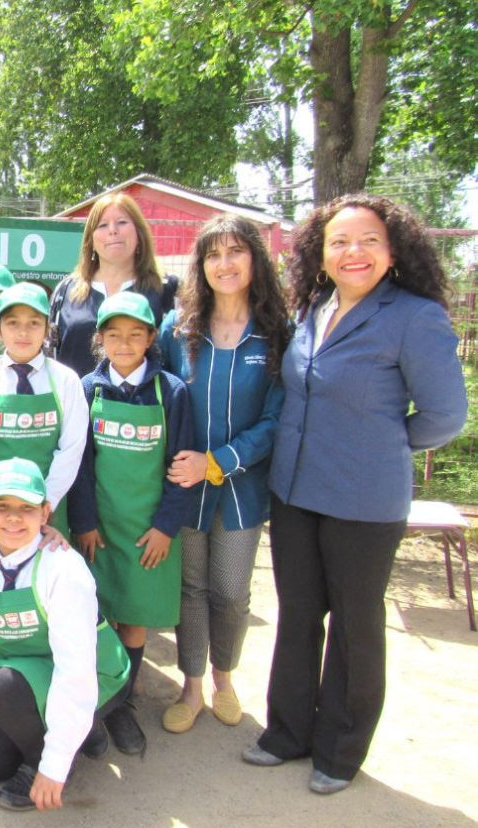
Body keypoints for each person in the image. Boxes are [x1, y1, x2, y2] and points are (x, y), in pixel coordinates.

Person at [244, 195, 467, 794]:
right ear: (320, 255)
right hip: (295, 491)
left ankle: (339, 752)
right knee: (297, 615)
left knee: (354, 624)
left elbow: (446, 416)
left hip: (365, 500)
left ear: (393, 251)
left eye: (368, 240)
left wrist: (383, 444)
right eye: (339, 242)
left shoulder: (414, 317)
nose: (353, 252)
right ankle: (287, 733)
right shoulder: (312, 309)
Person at [0, 458, 130, 812]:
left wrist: (53, 764)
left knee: (5, 688)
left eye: (27, 508)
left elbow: (75, 670)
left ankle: (54, 751)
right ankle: (78, 731)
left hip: (87, 676)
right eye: (2, 507)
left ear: (45, 512)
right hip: (23, 675)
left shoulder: (63, 569)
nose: (14, 518)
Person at [157, 215, 290, 734]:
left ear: (256, 260)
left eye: (236, 251)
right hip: (185, 487)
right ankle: (191, 688)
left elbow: (277, 419)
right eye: (213, 254)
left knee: (231, 591)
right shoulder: (178, 329)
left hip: (242, 488)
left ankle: (224, 679)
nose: (225, 263)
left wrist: (217, 462)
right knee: (190, 588)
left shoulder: (275, 332)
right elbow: (161, 400)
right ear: (201, 266)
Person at [68, 291, 196, 755]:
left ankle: (122, 705)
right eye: (114, 334)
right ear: (100, 339)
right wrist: (84, 522)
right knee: (97, 617)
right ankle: (95, 705)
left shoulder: (172, 392)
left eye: (135, 334)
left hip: (148, 533)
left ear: (150, 338)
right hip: (100, 530)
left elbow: (182, 468)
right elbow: (80, 465)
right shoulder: (88, 389)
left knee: (135, 621)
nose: (124, 344)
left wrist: (166, 528)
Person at [0, 282, 89, 536]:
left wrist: (44, 504)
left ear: (47, 329)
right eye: (13, 323)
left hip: (50, 509)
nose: (23, 332)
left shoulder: (66, 380)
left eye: (34, 323)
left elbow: (71, 449)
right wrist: (1, 501)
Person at [48, 193, 165, 378]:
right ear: (91, 240)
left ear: (139, 233)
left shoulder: (164, 290)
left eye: (122, 222)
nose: (113, 230)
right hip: (75, 396)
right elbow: (50, 356)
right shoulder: (66, 291)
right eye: (102, 225)